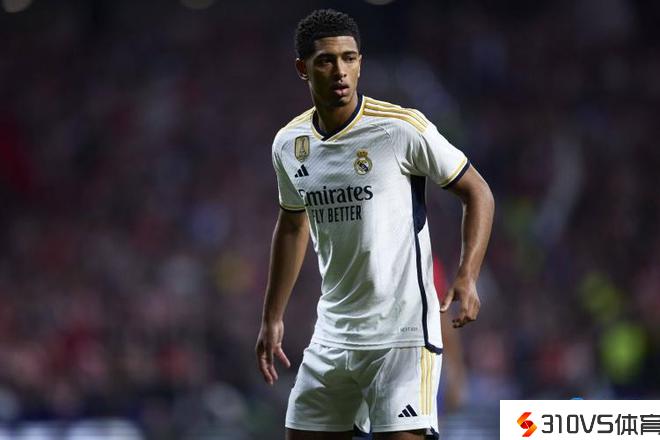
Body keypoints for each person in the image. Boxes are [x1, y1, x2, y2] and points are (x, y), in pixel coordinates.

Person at [255, 9, 494, 440]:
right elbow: (291, 225)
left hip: (402, 336)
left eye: (349, 58)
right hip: (333, 335)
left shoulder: (401, 129)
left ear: (360, 63)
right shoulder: (289, 144)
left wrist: (468, 274)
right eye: (326, 61)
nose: (340, 71)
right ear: (302, 69)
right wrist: (272, 317)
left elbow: (478, 192)